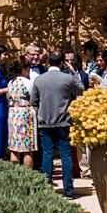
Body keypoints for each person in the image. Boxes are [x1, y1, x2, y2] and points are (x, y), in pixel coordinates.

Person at [32, 54, 84, 197]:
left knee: (47, 155)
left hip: (45, 122)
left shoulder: (39, 80)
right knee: (66, 156)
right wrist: (74, 73)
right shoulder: (67, 78)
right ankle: (68, 190)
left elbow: (34, 101)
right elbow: (81, 89)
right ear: (62, 63)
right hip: (63, 121)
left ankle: (47, 190)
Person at [5, 57, 39, 168]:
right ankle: (27, 175)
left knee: (14, 148)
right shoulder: (28, 83)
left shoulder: (11, 82)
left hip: (12, 113)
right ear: (25, 68)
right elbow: (34, 98)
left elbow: (8, 97)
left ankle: (15, 175)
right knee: (28, 148)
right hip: (25, 113)